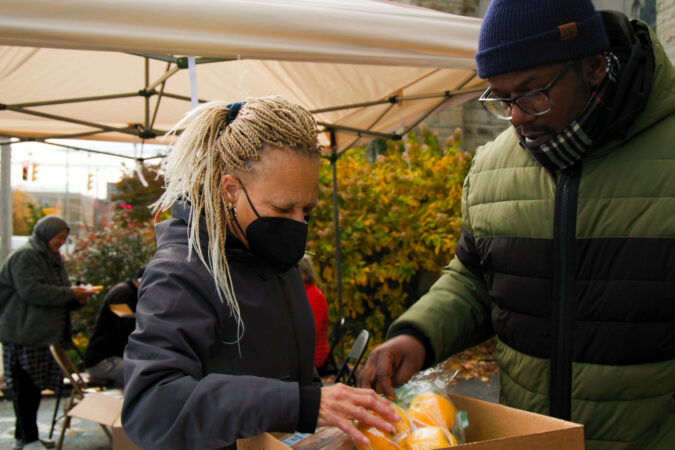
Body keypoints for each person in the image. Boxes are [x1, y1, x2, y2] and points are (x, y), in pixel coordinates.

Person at [359, 1, 674, 449]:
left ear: (592, 66)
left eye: (531, 93)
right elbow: (475, 279)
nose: (518, 117)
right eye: (501, 99)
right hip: (528, 439)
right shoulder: (490, 168)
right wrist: (417, 334)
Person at [122, 97, 400, 449]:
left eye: (308, 209)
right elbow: (152, 406)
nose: (299, 224)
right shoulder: (179, 274)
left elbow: (292, 379)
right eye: (283, 208)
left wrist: (326, 408)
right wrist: (300, 405)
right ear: (231, 190)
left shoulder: (272, 256)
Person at [0, 215, 94, 450]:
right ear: (45, 233)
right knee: (25, 389)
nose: (61, 241)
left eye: (64, 237)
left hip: (43, 336)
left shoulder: (53, 258)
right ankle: (27, 439)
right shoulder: (26, 256)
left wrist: (78, 297)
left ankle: (27, 437)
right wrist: (71, 294)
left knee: (33, 389)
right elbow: (32, 291)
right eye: (58, 237)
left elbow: (59, 292)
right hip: (23, 335)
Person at [83, 265, 144, 387]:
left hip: (112, 358)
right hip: (103, 360)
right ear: (140, 282)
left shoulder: (129, 294)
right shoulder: (121, 294)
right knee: (143, 374)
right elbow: (127, 328)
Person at [298, 256, 330, 369]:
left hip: (313, 355)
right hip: (305, 351)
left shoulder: (314, 296)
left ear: (305, 274)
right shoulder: (302, 293)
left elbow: (309, 332)